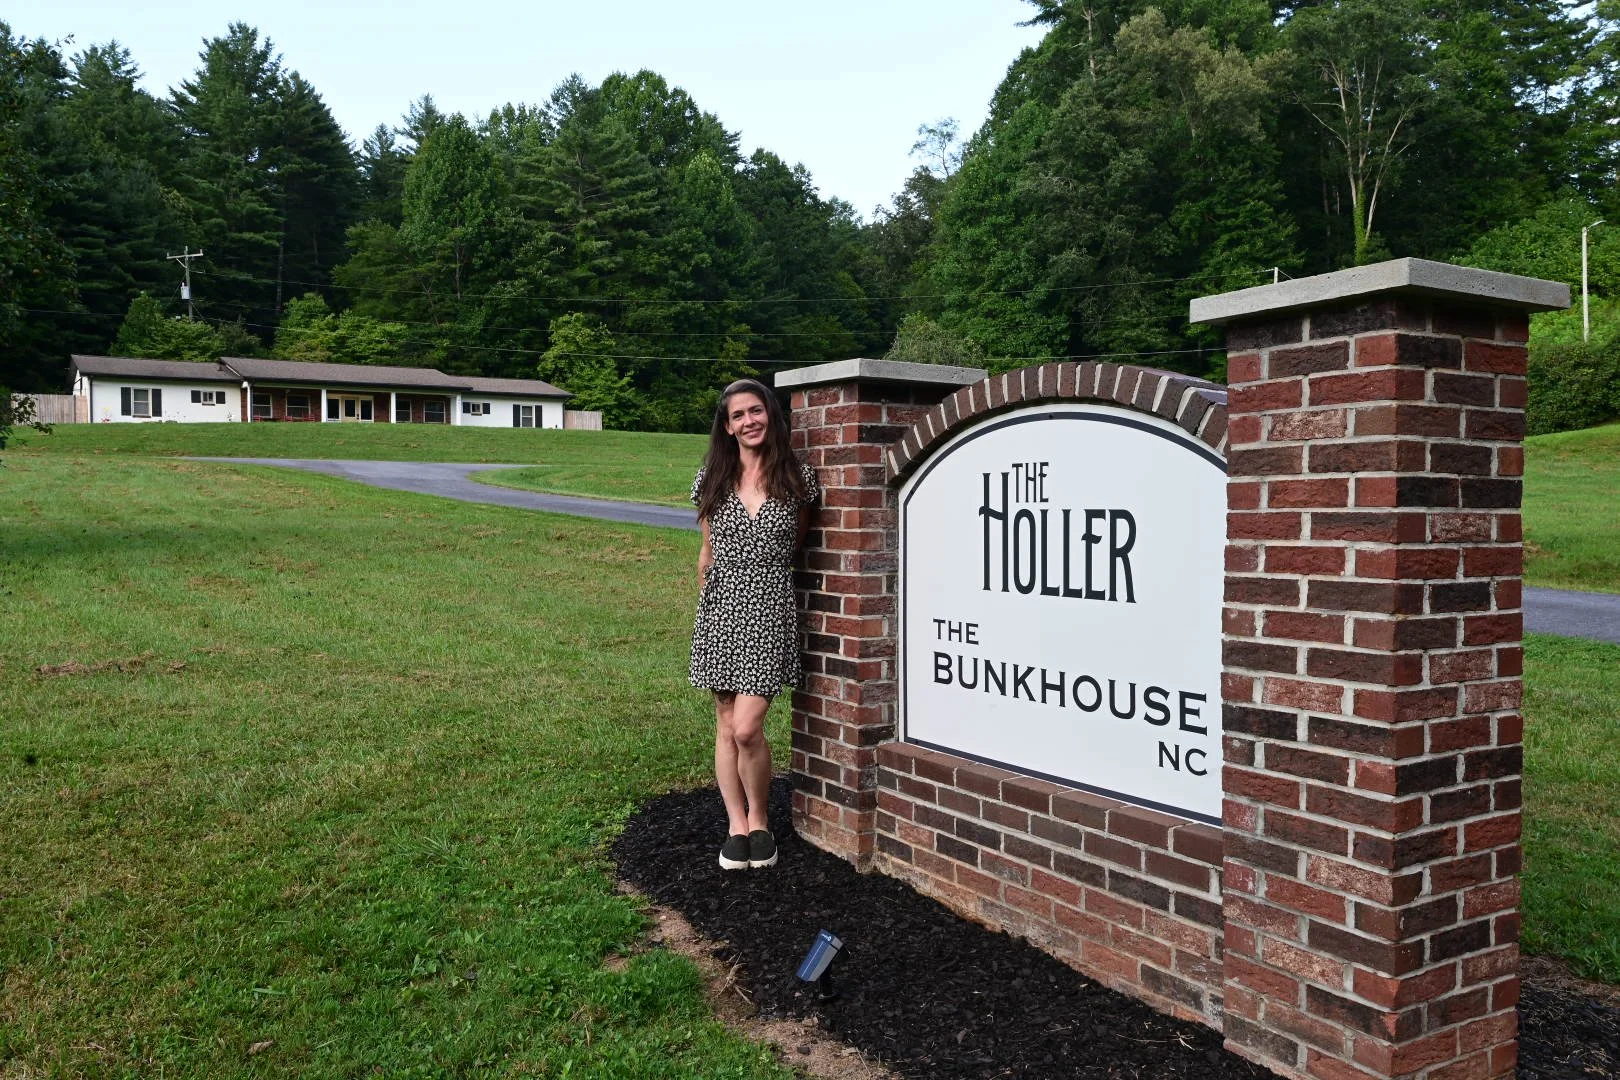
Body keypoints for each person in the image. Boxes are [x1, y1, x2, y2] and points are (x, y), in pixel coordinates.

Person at [689, 378, 820, 870]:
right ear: (727, 427)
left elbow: (796, 542)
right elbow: (708, 552)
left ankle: (761, 819)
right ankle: (736, 825)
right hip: (721, 608)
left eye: (756, 411)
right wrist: (707, 605)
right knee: (725, 723)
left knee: (747, 728)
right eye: (739, 415)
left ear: (771, 415)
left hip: (769, 606)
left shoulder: (798, 479)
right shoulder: (711, 481)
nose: (749, 421)